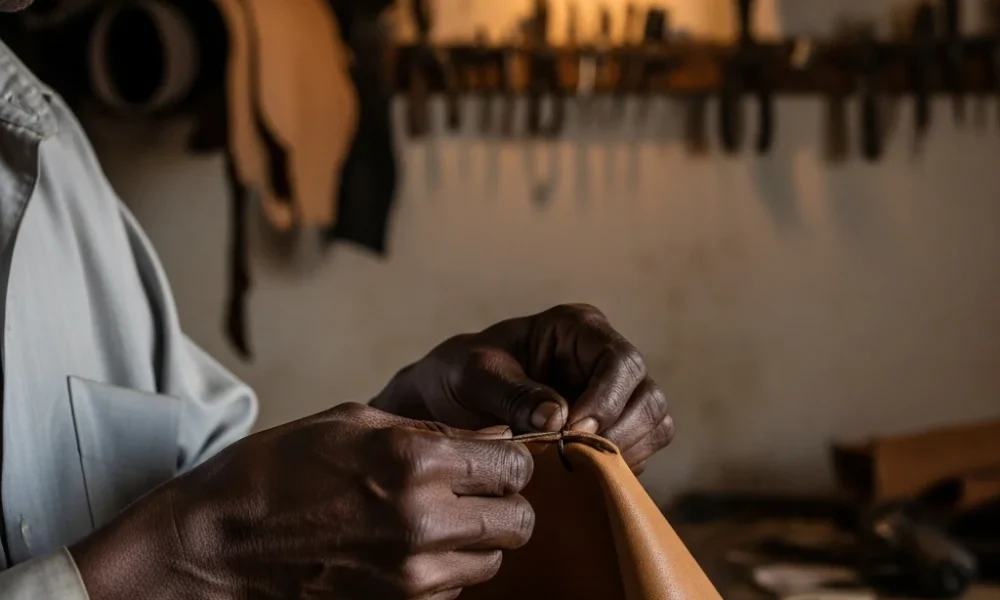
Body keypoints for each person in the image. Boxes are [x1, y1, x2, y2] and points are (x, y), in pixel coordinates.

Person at [0, 1, 674, 597]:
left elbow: (217, 500)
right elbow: (204, 540)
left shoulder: (44, 149)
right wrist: (182, 562)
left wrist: (415, 427)